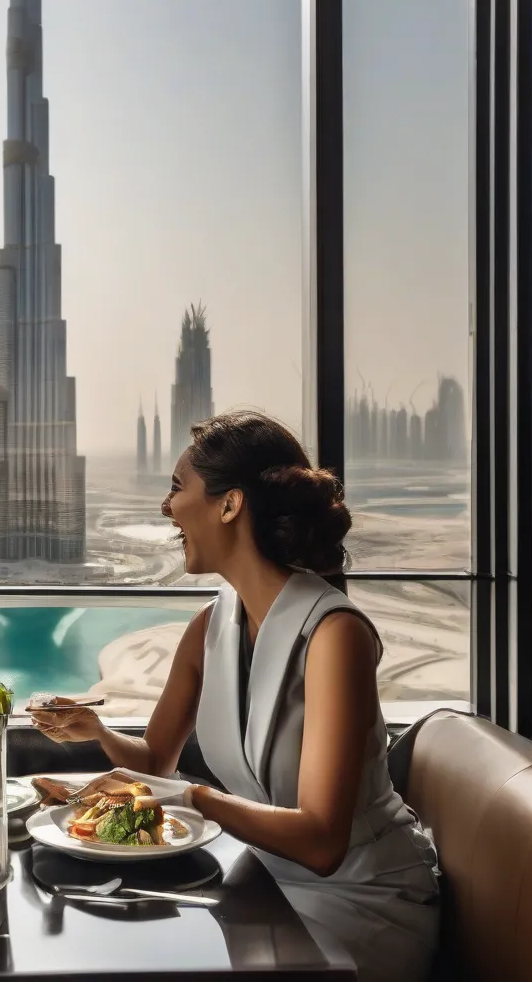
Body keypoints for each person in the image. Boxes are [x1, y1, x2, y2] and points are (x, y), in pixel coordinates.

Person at [31, 412, 440, 982]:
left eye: (177, 488)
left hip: (358, 903)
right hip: (265, 884)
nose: (166, 507)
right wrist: (96, 733)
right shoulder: (209, 626)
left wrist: (189, 798)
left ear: (230, 505)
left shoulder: (334, 635)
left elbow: (322, 843)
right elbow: (154, 764)